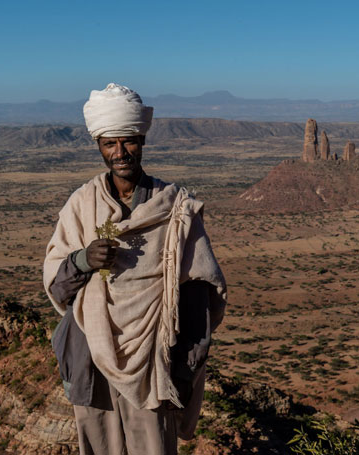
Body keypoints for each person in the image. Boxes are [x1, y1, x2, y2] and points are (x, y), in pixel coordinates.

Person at [43, 83, 226, 455]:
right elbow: (57, 288)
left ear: (141, 140)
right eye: (110, 143)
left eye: (128, 141)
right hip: (90, 359)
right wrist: (82, 260)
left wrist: (185, 371)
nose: (120, 152)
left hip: (153, 366)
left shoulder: (174, 208)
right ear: (98, 145)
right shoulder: (81, 205)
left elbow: (197, 294)